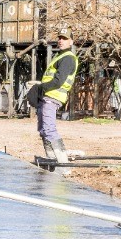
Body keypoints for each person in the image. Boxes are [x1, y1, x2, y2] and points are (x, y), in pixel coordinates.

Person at [32, 28, 79, 162]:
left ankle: (62, 162)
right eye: (59, 38)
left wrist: (40, 88)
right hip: (47, 97)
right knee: (43, 130)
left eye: (64, 38)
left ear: (71, 41)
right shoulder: (59, 57)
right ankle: (52, 158)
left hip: (52, 98)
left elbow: (58, 81)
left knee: (49, 129)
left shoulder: (68, 58)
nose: (60, 41)